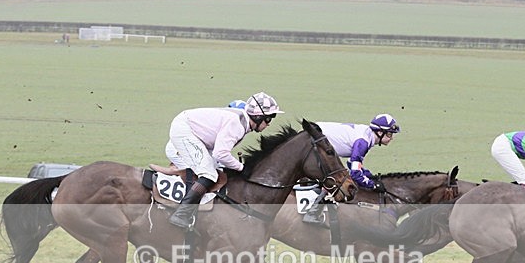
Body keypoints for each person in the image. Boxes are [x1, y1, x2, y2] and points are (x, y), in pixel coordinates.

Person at [165, 92, 283, 229]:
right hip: (185, 130)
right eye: (269, 118)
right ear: (257, 116)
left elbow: (219, 155)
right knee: (209, 174)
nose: (269, 124)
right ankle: (182, 213)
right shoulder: (237, 125)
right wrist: (241, 168)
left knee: (216, 170)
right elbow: (221, 154)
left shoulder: (242, 123)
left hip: (196, 134)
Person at [302, 114, 400, 224]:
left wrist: (369, 175)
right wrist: (372, 185)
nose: (392, 138)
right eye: (389, 134)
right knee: (336, 179)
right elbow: (355, 174)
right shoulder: (363, 142)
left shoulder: (367, 136)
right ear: (380, 132)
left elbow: (351, 163)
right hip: (314, 140)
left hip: (315, 135)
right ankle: (312, 212)